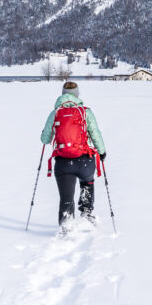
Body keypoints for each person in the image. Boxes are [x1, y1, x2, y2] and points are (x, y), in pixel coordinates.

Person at [40, 81, 107, 231]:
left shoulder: (55, 113)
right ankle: (87, 215)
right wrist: (102, 152)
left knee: (66, 198)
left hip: (63, 163)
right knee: (87, 182)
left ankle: (66, 227)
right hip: (84, 160)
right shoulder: (85, 112)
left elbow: (45, 139)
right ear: (77, 94)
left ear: (62, 94)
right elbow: (95, 134)